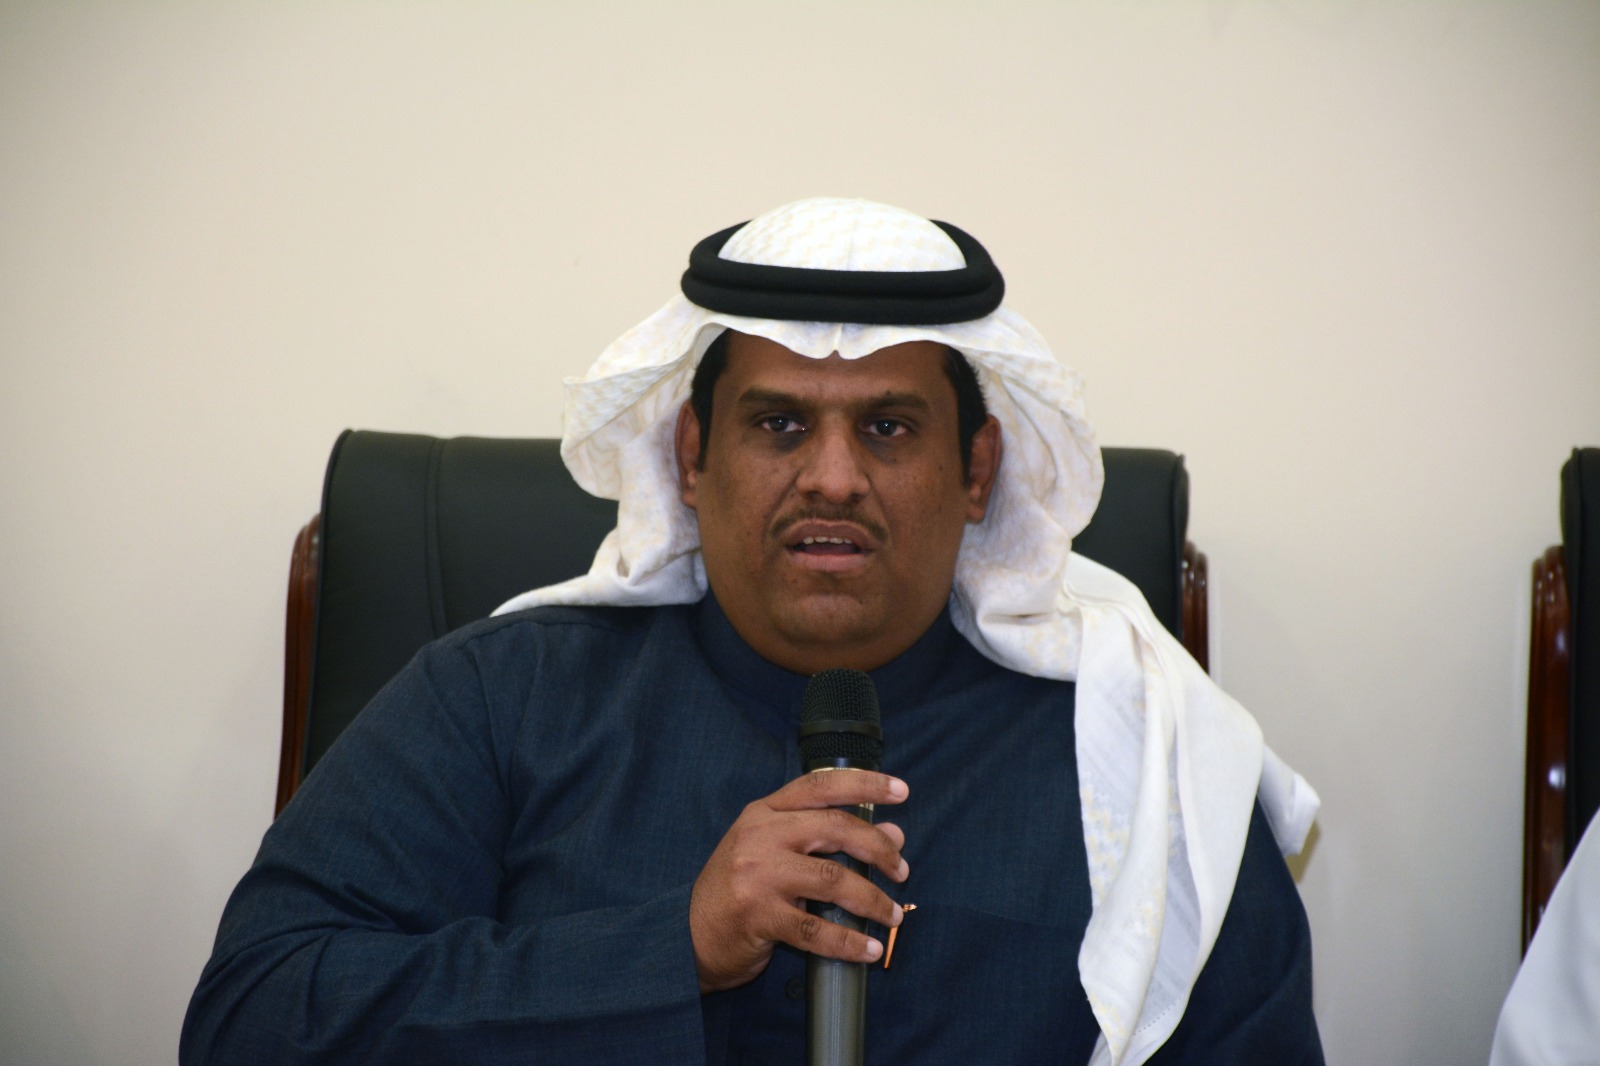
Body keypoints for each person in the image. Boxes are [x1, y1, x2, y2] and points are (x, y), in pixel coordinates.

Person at [183, 198, 1324, 1064]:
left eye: (888, 428)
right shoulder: (500, 698)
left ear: (977, 471)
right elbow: (251, 1018)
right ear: (691, 456)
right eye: (779, 424)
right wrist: (669, 949)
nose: (832, 478)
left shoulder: (1147, 754)